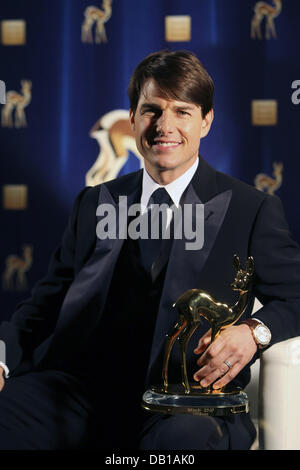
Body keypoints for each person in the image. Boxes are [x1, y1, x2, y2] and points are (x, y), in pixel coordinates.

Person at [0, 49, 300, 450]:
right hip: (80, 394)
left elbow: (296, 295)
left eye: (182, 111)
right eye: (151, 110)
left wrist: (255, 332)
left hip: (189, 402)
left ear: (206, 122)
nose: (165, 126)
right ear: (133, 118)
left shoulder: (251, 208)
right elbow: (46, 304)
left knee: (180, 442)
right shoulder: (95, 202)